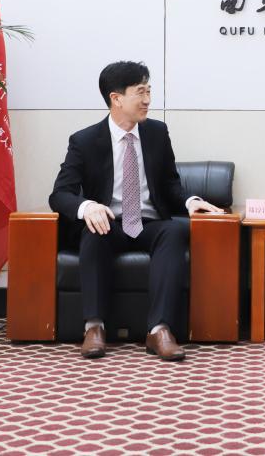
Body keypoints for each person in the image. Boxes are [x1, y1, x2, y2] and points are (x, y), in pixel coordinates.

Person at [49, 61, 222, 361]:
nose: (147, 100)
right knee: (94, 231)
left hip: (148, 223)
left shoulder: (157, 133)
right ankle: (94, 327)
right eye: (140, 92)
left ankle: (159, 330)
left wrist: (189, 202)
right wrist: (87, 206)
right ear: (116, 98)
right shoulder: (85, 141)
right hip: (110, 223)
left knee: (174, 231)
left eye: (149, 91)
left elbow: (170, 184)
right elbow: (60, 193)